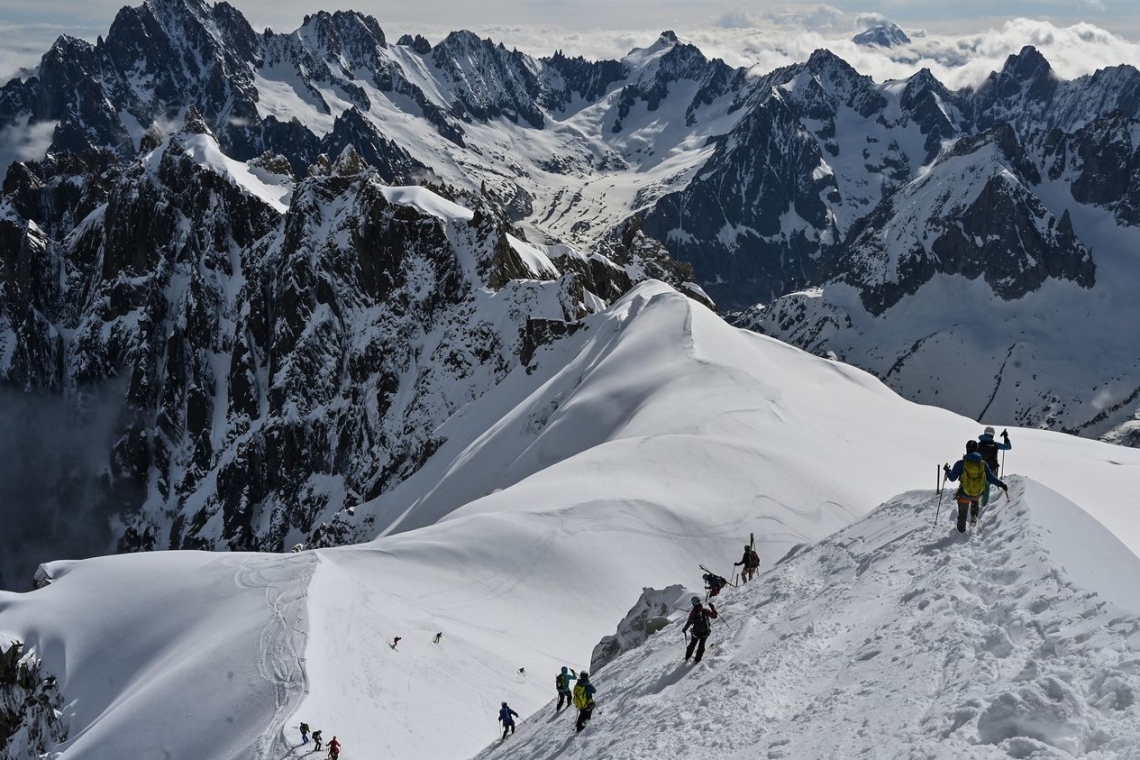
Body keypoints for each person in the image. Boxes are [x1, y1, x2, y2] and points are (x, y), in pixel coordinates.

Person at [945, 440, 1008, 532]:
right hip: (977, 493)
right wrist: (1001, 484)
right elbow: (991, 478)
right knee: (975, 502)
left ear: (967, 449)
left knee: (962, 514)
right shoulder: (983, 464)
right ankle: (973, 521)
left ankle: (961, 531)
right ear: (977, 449)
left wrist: (947, 471)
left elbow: (952, 478)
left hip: (964, 493)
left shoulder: (961, 463)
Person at [977, 427, 1012, 507]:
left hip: (978, 470)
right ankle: (983, 505)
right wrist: (1006, 438)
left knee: (977, 485)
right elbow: (1008, 447)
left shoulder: (978, 445)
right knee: (986, 487)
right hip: (991, 471)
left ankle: (974, 503)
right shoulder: (995, 445)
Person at [682, 596, 718, 663]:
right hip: (705, 632)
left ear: (693, 603)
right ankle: (697, 660)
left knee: (692, 645)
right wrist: (713, 608)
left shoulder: (693, 613)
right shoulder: (705, 610)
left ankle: (687, 658)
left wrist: (684, 629)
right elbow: (714, 616)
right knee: (701, 645)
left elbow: (689, 622)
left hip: (696, 633)